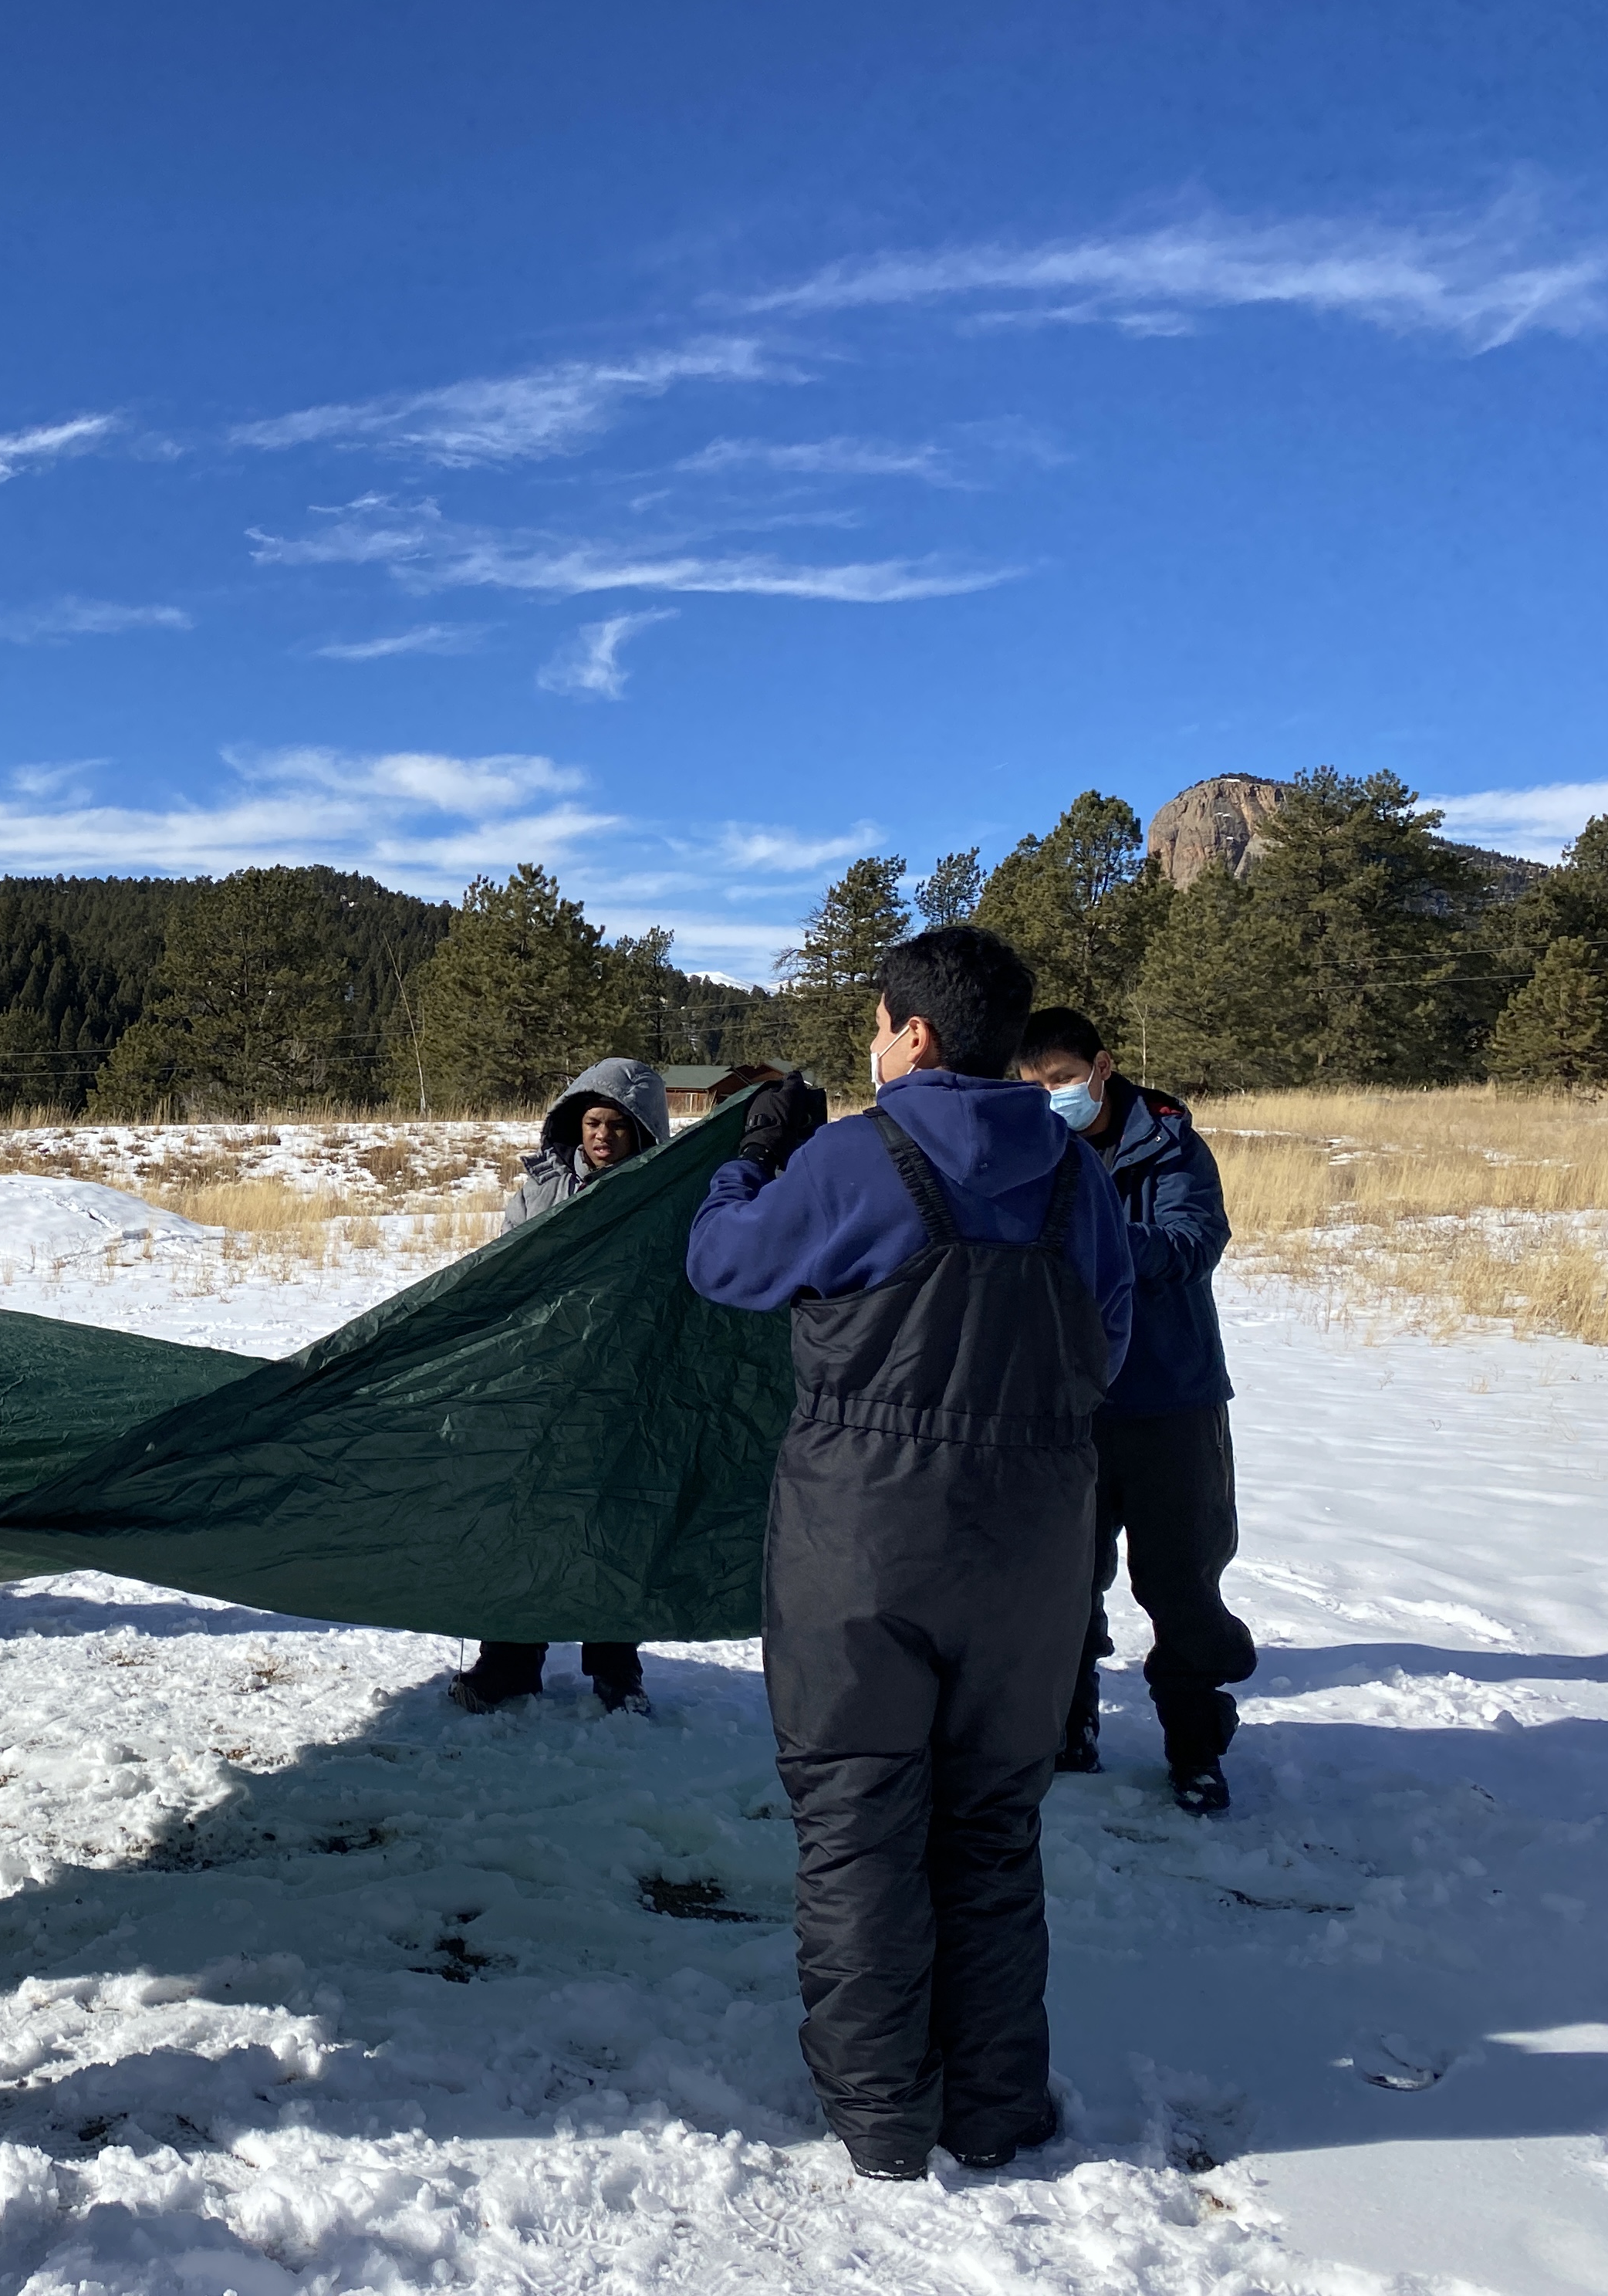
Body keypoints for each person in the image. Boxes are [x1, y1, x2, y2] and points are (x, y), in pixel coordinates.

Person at [685, 928, 1133, 2182]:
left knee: (858, 1825)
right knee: (990, 1824)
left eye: (876, 1023)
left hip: (862, 1548)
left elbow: (725, 1264)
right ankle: (993, 2105)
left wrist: (752, 1158)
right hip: (1034, 1553)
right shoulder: (1072, 1173)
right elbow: (1104, 1341)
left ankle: (882, 2117)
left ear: (915, 1033)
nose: (871, 1044)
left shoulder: (855, 1155)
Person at [1015, 1007, 1255, 1815]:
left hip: (1170, 1403)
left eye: (1059, 1081)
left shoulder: (1170, 1142)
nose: (1050, 1098)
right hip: (1066, 1405)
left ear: (1101, 1068)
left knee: (1183, 1583)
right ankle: (1067, 1725)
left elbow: (1193, 1245)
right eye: (1032, 1085)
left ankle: (1195, 1746)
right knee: (1058, 1580)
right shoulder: (1028, 1150)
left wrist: (1096, 1237)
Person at [454, 1057, 673, 1715]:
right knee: (529, 1518)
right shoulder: (540, 1191)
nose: (603, 1136)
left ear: (641, 1134)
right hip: (546, 1383)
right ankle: (510, 1667)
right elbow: (507, 1268)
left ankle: (617, 1672)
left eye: (618, 1127)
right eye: (593, 1122)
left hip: (629, 1387)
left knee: (618, 1525)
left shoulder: (665, 1197)